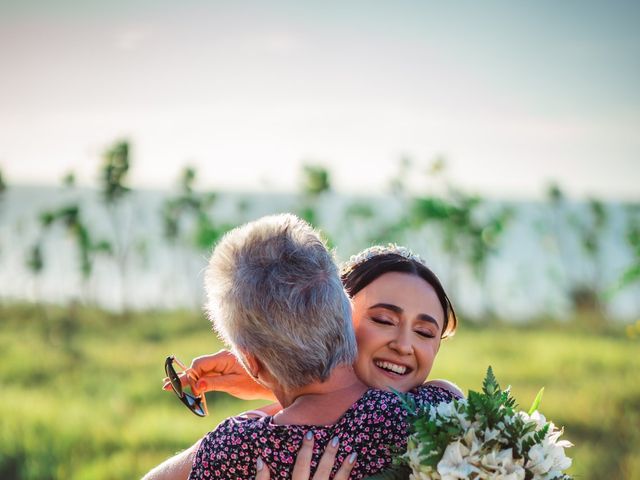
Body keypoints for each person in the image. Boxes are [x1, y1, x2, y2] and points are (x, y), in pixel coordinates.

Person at [143, 214, 456, 480]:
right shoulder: (435, 410)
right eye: (384, 320)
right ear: (346, 312)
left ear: (250, 361)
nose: (402, 345)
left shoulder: (241, 446)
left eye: (425, 332)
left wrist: (275, 378)